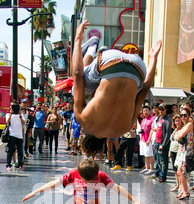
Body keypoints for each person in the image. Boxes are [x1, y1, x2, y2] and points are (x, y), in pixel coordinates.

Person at [72, 20, 162, 154]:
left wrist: (153, 58)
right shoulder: (83, 119)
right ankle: (92, 48)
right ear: (84, 136)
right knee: (76, 88)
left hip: (138, 67)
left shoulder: (123, 129)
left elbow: (144, 90)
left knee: (134, 91)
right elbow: (78, 74)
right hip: (108, 61)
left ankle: (98, 54)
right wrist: (77, 40)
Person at [174, 107, 194, 200]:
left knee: (182, 172)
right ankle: (183, 190)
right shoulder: (184, 125)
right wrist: (178, 135)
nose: (183, 117)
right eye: (181, 115)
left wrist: (178, 135)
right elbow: (175, 136)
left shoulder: (189, 125)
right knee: (179, 171)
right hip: (182, 150)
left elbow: (179, 135)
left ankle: (185, 191)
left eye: (185, 115)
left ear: (189, 116)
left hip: (186, 150)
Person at [5, 100, 25, 170]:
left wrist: (20, 115)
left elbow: (23, 123)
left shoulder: (21, 114)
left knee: (20, 151)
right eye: (12, 106)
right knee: (10, 150)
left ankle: (20, 164)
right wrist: (11, 114)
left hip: (19, 135)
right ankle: (8, 164)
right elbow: (7, 122)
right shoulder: (8, 114)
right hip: (12, 134)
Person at [155, 104, 172, 182]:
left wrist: (163, 144)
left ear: (165, 109)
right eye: (159, 109)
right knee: (158, 160)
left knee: (163, 161)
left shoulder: (167, 120)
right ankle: (159, 174)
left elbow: (167, 134)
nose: (160, 111)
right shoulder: (159, 118)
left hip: (163, 143)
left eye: (162, 109)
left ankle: (163, 176)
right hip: (157, 142)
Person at [169, 114, 182, 192]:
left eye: (178, 121)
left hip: (179, 151)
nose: (177, 122)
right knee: (175, 169)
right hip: (173, 149)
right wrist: (169, 151)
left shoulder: (182, 129)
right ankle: (177, 184)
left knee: (179, 169)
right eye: (176, 121)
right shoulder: (175, 130)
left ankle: (181, 185)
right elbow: (172, 141)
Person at [139, 106, 154, 174]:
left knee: (150, 154)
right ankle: (147, 167)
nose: (145, 112)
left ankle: (152, 168)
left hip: (149, 140)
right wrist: (140, 140)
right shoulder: (143, 120)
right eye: (144, 111)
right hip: (143, 139)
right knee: (145, 154)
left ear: (150, 111)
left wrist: (149, 139)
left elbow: (153, 130)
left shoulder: (152, 119)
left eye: (146, 110)